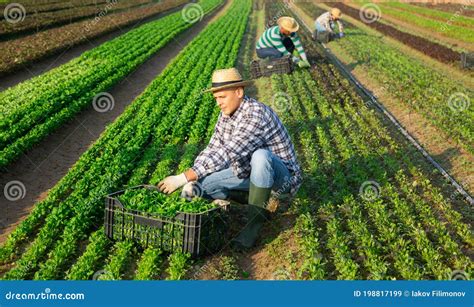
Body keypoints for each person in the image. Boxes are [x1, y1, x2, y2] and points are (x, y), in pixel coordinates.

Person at [158, 68, 302, 249]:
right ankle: (256, 200)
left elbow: (229, 152)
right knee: (202, 187)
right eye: (216, 98)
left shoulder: (255, 113)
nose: (218, 103)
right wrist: (191, 182)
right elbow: (213, 149)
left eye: (222, 97)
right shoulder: (225, 116)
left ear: (239, 92)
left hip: (281, 179)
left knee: (261, 156)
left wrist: (182, 177)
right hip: (249, 173)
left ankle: (253, 226)